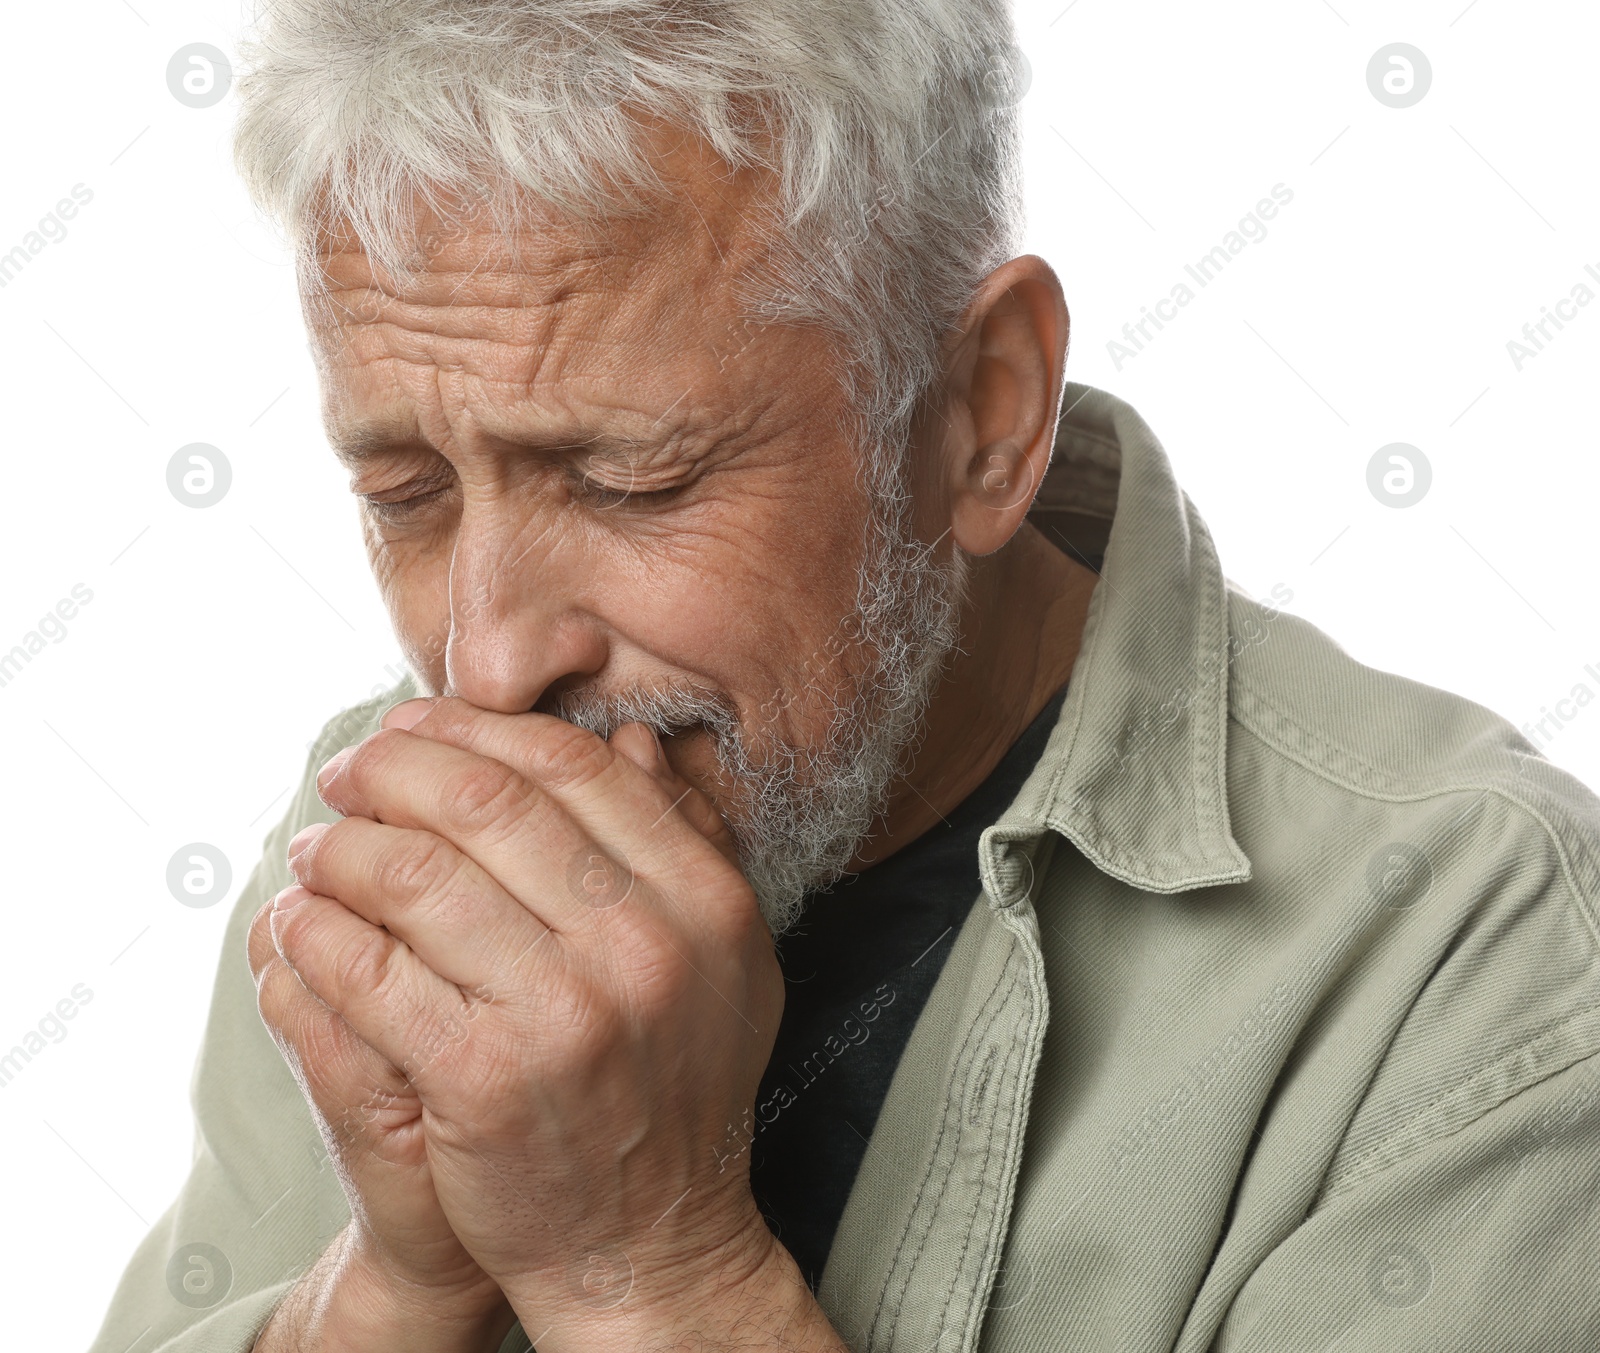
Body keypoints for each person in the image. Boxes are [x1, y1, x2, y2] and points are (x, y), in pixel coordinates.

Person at [91, 2, 1600, 1350]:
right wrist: (394, 1291)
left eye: (630, 478)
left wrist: (650, 1269)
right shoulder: (378, 829)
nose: (483, 660)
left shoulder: (1477, 955)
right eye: (407, 489)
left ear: (984, 412)